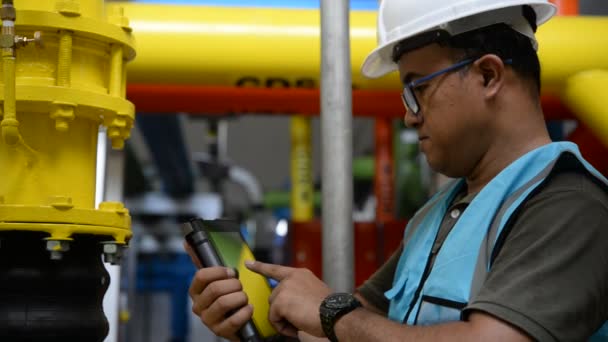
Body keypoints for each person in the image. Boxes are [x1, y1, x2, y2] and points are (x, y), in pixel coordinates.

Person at [187, 0, 608, 341]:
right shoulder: (435, 215)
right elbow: (349, 332)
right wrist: (260, 322)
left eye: (417, 89)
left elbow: (345, 323)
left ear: (487, 75)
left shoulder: (570, 204)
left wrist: (333, 313)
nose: (409, 116)